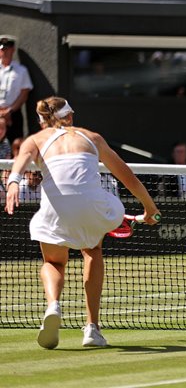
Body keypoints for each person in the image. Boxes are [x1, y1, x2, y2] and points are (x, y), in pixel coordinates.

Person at [4, 96, 160, 349]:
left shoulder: (35, 140)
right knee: (92, 251)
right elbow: (127, 176)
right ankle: (92, 328)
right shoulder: (92, 137)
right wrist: (149, 207)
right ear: (70, 116)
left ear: (42, 119)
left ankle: (53, 305)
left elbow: (21, 162)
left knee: (53, 262)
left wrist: (13, 182)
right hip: (92, 206)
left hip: (58, 209)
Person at [0, 35, 33, 142]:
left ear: (12, 50)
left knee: (16, 142)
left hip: (13, 113)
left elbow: (24, 93)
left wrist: (10, 110)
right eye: (2, 50)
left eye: (7, 49)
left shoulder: (21, 70)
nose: (4, 52)